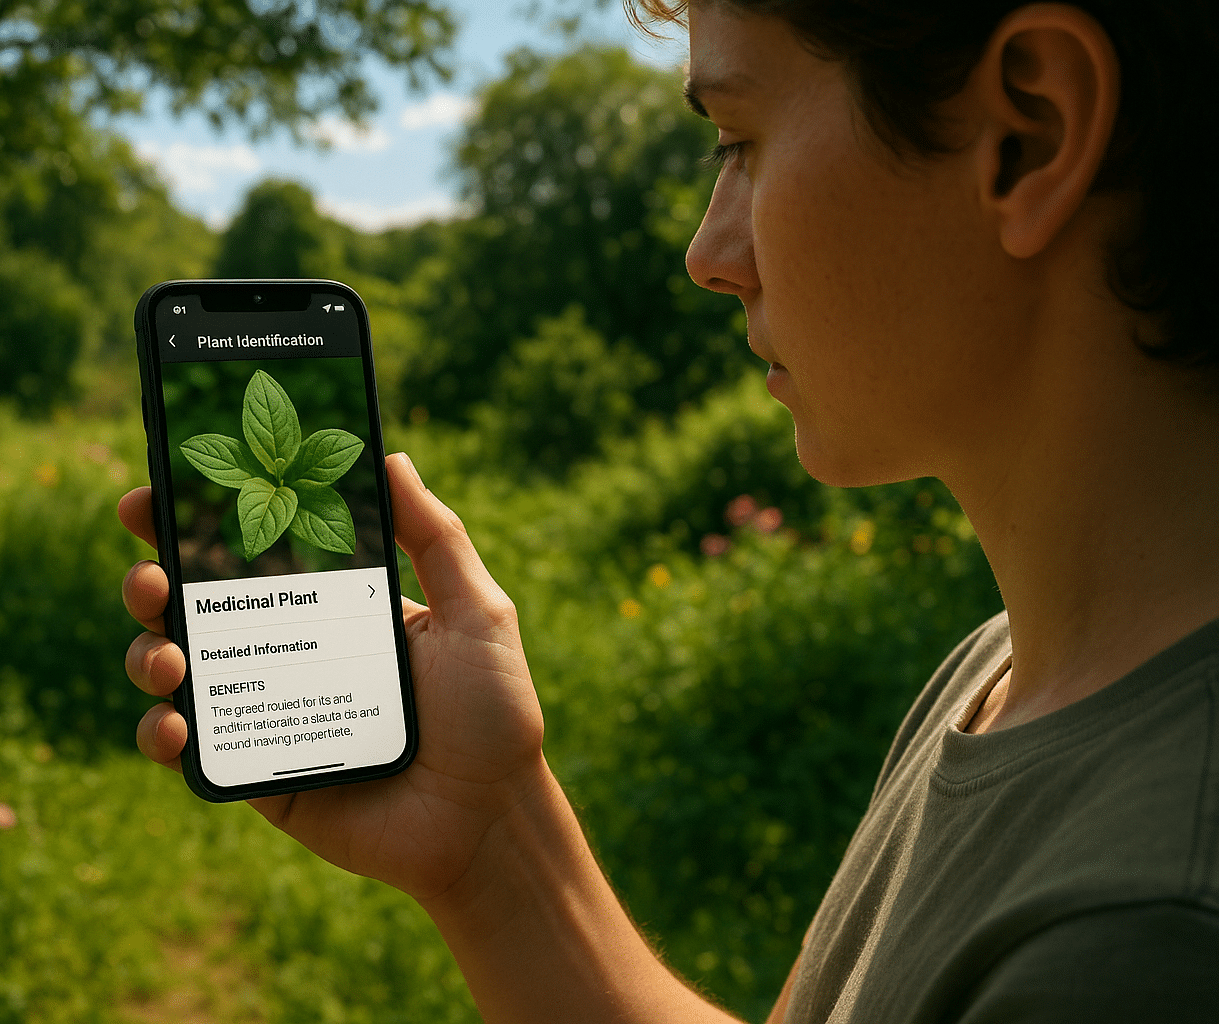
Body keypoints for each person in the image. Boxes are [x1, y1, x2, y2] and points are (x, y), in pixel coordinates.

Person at [118, 1, 1219, 1020]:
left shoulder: (1146, 939)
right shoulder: (1001, 673)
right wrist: (493, 847)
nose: (708, 256)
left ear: (1029, 135)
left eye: (739, 141)